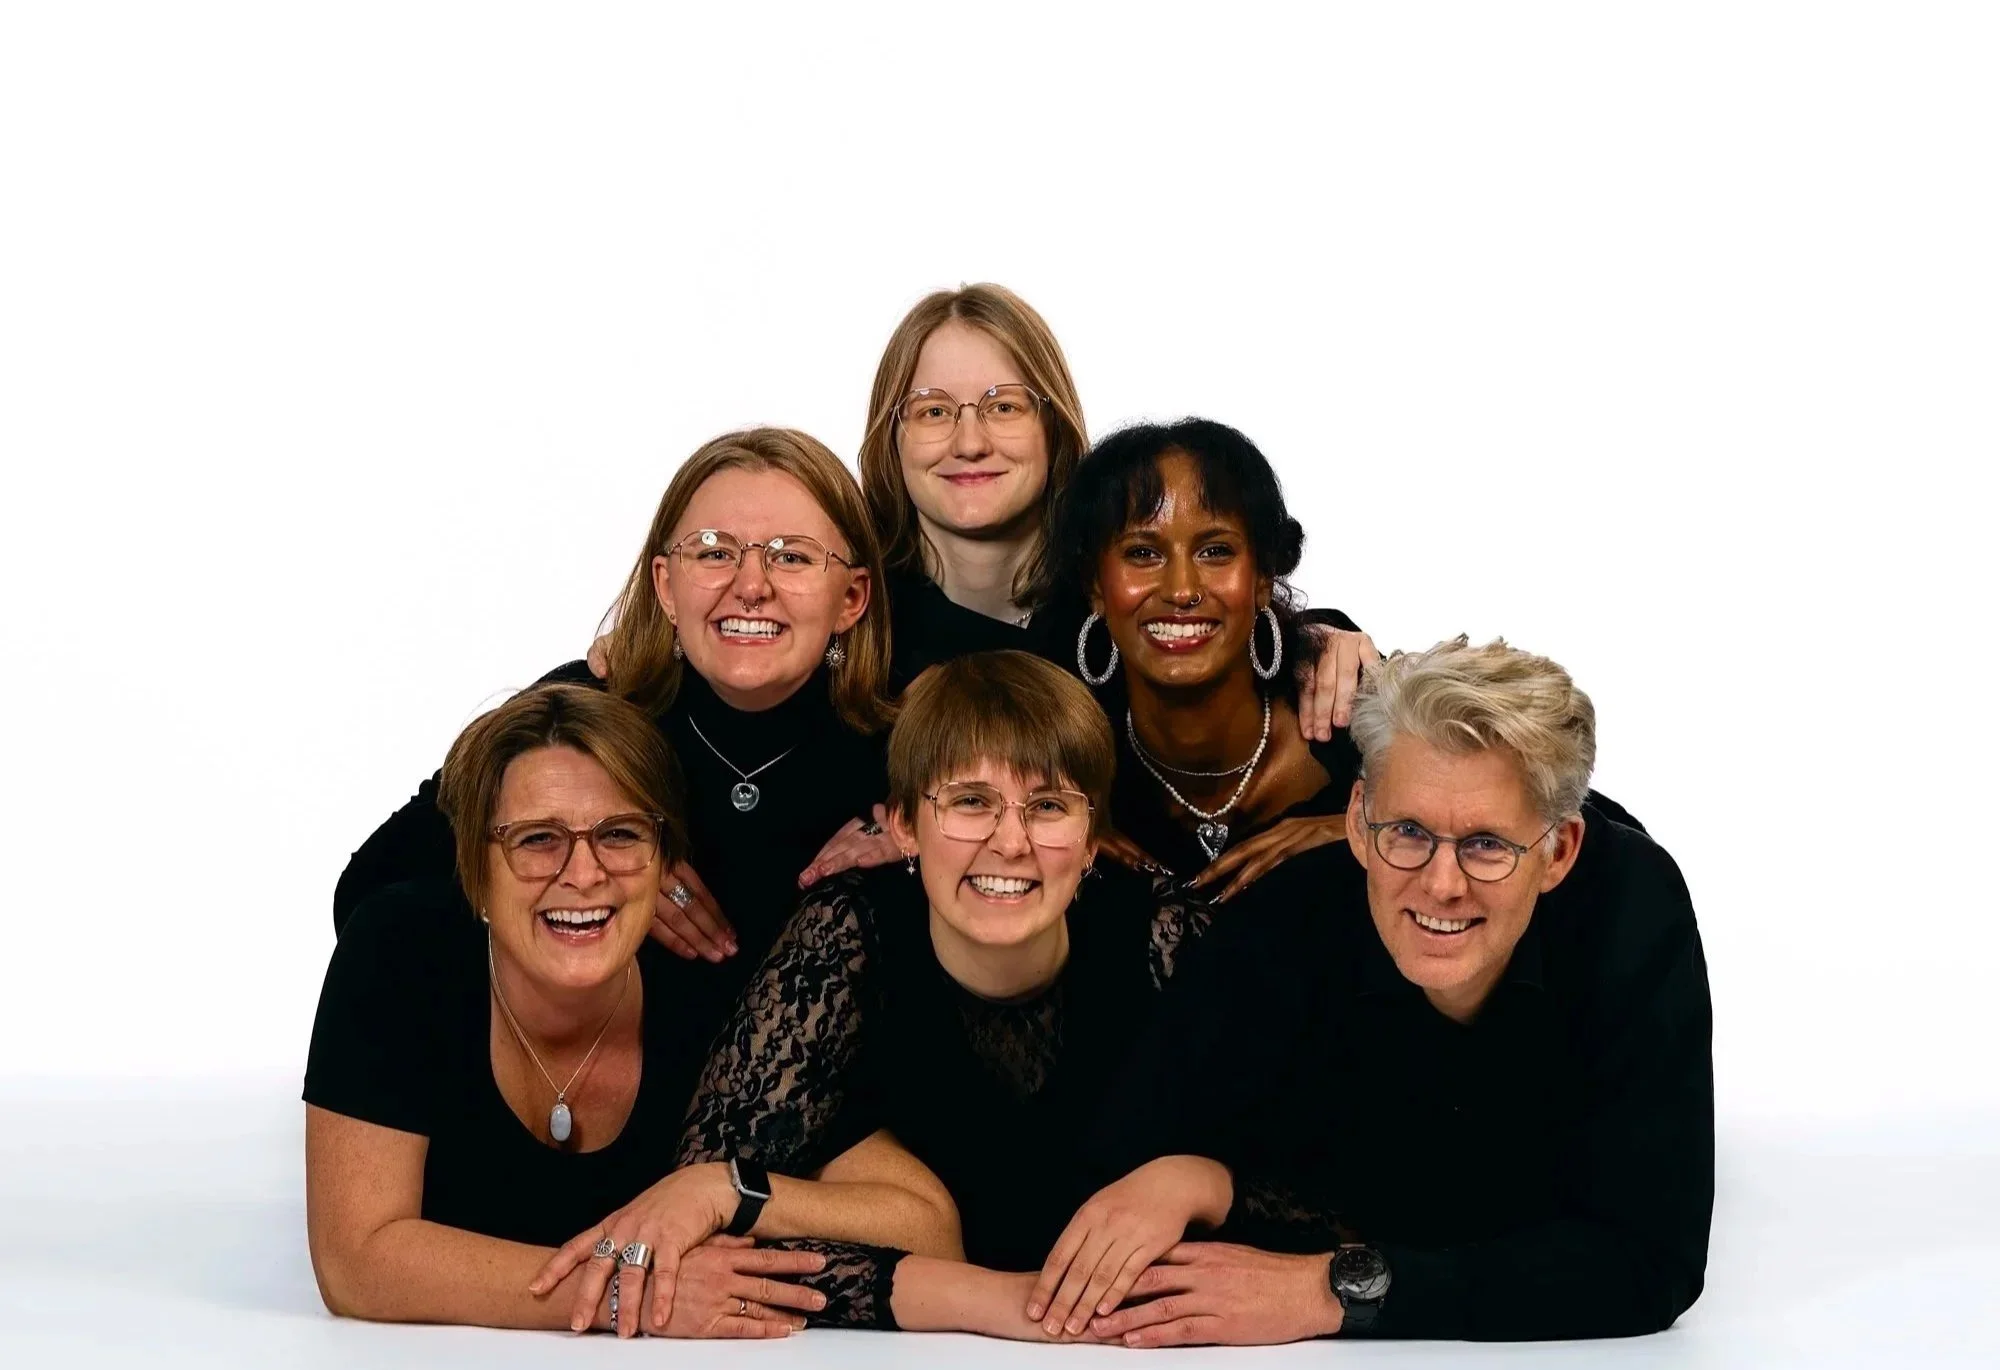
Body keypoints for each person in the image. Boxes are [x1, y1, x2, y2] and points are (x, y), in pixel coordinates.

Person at [530, 652, 1260, 1340]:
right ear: (905, 826)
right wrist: (746, 1195)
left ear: (1093, 837)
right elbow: (699, 1221)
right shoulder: (848, 932)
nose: (1011, 842)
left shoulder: (1167, 941)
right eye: (970, 802)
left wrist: (1198, 1183)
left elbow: (1306, 1193)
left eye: (1047, 807)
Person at [1048, 637, 1713, 1345]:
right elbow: (1114, 1173)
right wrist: (1202, 1179)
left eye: (1487, 844)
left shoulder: (1631, 909)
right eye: (1408, 831)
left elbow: (1649, 1263)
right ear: (1359, 821)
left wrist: (1332, 1290)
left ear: (1560, 850)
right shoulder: (1286, 921)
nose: (1441, 885)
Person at [303, 683, 842, 1335]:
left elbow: (916, 1215)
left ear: (663, 861)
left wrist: (731, 1191)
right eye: (538, 839)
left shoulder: (718, 991)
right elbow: (354, 1262)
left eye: (619, 834)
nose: (584, 874)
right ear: (476, 866)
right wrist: (630, 1294)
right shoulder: (400, 948)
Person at [331, 428, 895, 1009]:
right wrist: (601, 876)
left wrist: (916, 853)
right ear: (666, 587)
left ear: (852, 598)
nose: (751, 587)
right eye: (714, 552)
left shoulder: (904, 752)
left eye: (792, 556)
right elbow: (370, 895)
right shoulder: (581, 711)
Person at [1048, 417, 1365, 899]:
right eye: (1142, 554)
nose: (1182, 590)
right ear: (1095, 585)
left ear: (1263, 578)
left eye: (1215, 551)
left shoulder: (1356, 715)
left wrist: (1368, 828)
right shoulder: (1062, 755)